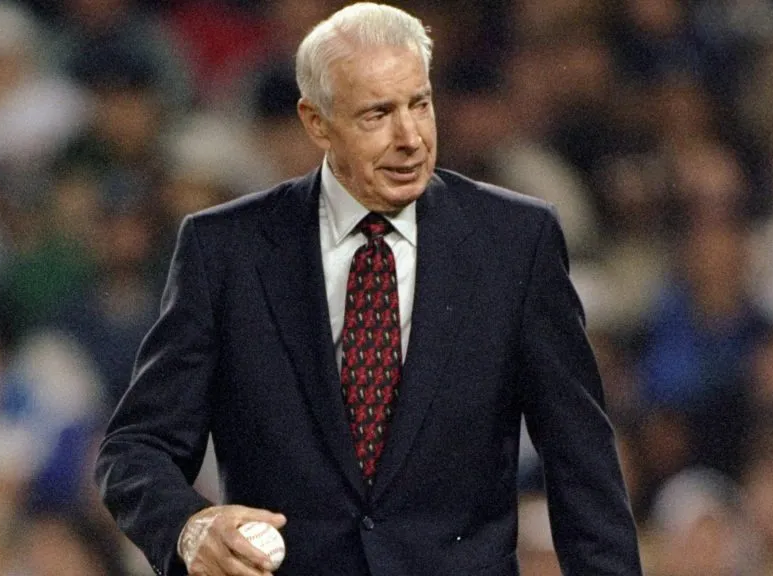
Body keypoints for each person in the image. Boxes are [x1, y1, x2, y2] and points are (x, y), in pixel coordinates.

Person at [95, 3, 643, 575]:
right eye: (378, 113)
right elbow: (136, 448)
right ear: (316, 122)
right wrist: (188, 527)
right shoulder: (225, 251)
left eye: (420, 104)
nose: (409, 137)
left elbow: (584, 466)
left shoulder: (515, 242)